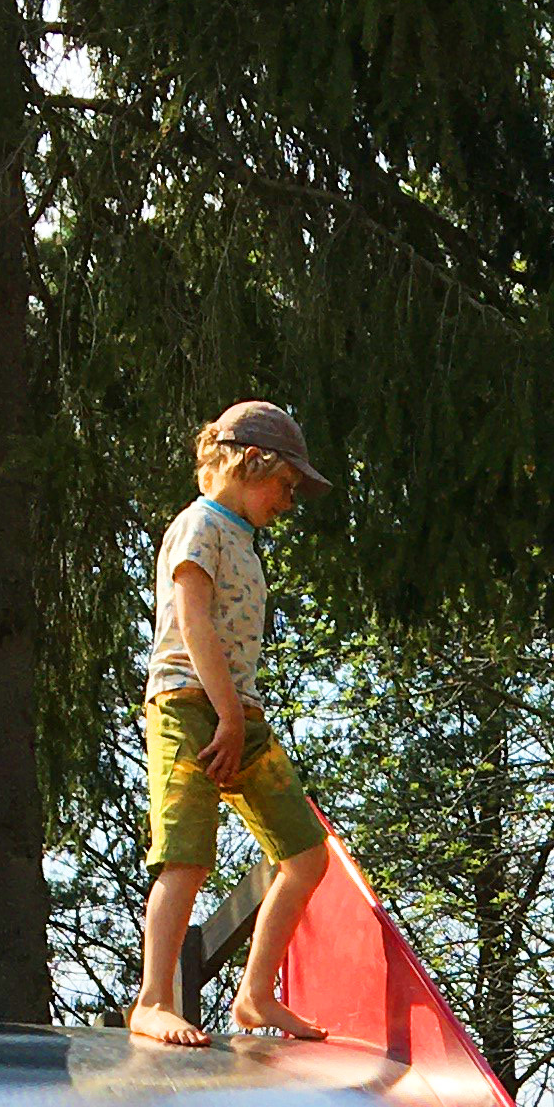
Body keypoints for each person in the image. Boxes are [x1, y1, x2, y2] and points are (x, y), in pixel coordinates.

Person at [128, 401, 337, 1049]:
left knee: (305, 855)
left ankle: (255, 995)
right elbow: (192, 623)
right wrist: (223, 714)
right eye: (285, 486)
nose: (288, 501)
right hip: (188, 704)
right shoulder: (200, 526)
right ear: (252, 463)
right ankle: (154, 999)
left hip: (236, 712)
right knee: (186, 853)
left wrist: (237, 715)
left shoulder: (242, 537)